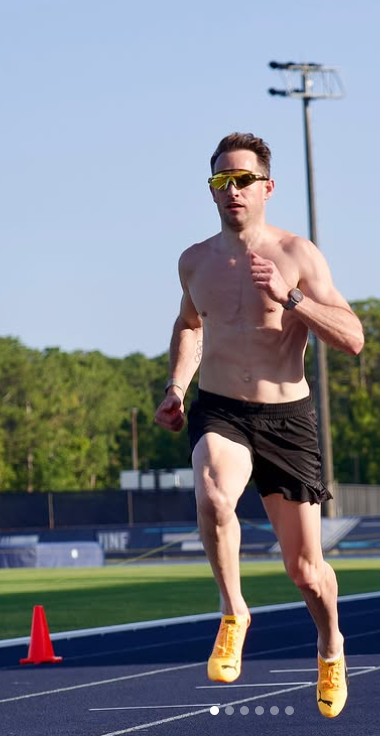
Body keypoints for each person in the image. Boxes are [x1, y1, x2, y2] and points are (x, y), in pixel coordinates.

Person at [154, 132, 364, 718]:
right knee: (214, 492)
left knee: (306, 571)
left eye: (243, 180)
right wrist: (176, 387)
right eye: (222, 182)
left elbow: (353, 338)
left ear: (267, 187)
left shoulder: (299, 254)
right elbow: (190, 325)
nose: (233, 191)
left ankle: (329, 646)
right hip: (221, 407)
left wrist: (291, 298)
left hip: (286, 418)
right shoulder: (194, 261)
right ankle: (233, 611)